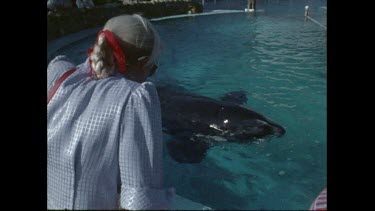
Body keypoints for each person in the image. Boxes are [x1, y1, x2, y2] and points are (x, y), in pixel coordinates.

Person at [47, 14, 174, 210]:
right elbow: (140, 200)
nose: (150, 74)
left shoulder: (57, 72)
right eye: (152, 68)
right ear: (141, 62)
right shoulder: (134, 97)